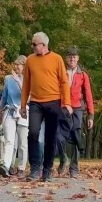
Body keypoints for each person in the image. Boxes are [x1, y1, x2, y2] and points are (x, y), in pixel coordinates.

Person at [20, 32, 71, 182]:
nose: (32, 46)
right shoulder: (30, 60)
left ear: (44, 45)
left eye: (34, 44)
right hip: (35, 102)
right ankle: (35, 168)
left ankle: (47, 169)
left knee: (50, 136)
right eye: (32, 44)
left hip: (53, 102)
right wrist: (23, 105)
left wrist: (67, 103)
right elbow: (26, 84)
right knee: (33, 133)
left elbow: (64, 82)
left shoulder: (57, 59)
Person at [57, 46, 95, 178]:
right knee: (59, 136)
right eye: (69, 57)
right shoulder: (60, 72)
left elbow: (88, 95)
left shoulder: (83, 75)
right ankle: (63, 158)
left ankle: (74, 167)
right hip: (62, 107)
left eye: (74, 57)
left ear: (78, 58)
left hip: (77, 108)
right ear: (66, 58)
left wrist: (91, 115)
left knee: (75, 134)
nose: (72, 59)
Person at [0, 55, 29, 177]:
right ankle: (6, 165)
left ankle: (21, 167)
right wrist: (0, 112)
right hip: (9, 111)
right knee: (9, 140)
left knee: (22, 143)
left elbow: (28, 97)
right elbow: (4, 96)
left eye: (18, 64)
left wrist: (18, 81)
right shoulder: (8, 79)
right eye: (15, 64)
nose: (16, 67)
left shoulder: (29, 79)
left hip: (23, 112)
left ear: (24, 66)